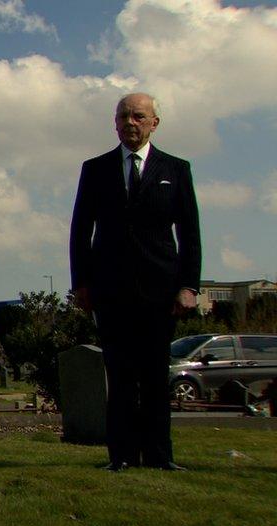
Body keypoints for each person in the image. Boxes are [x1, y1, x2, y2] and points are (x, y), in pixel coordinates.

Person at [70, 92, 201, 472]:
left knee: (156, 376)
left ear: (154, 123)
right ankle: (121, 456)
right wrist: (82, 283)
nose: (131, 122)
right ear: (114, 123)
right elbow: (81, 231)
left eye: (139, 116)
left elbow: (190, 233)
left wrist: (188, 285)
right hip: (111, 291)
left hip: (161, 291)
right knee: (121, 377)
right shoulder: (95, 170)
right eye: (124, 116)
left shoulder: (175, 169)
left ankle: (160, 456)